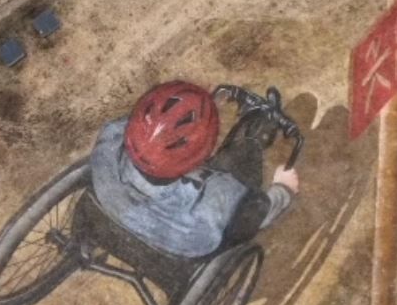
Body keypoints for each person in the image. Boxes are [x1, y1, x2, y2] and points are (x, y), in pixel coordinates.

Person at [89, 81, 299, 259]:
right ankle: (258, 134)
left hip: (112, 210)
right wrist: (283, 189)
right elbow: (258, 213)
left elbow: (133, 127)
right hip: (182, 248)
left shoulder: (109, 143)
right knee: (240, 160)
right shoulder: (223, 193)